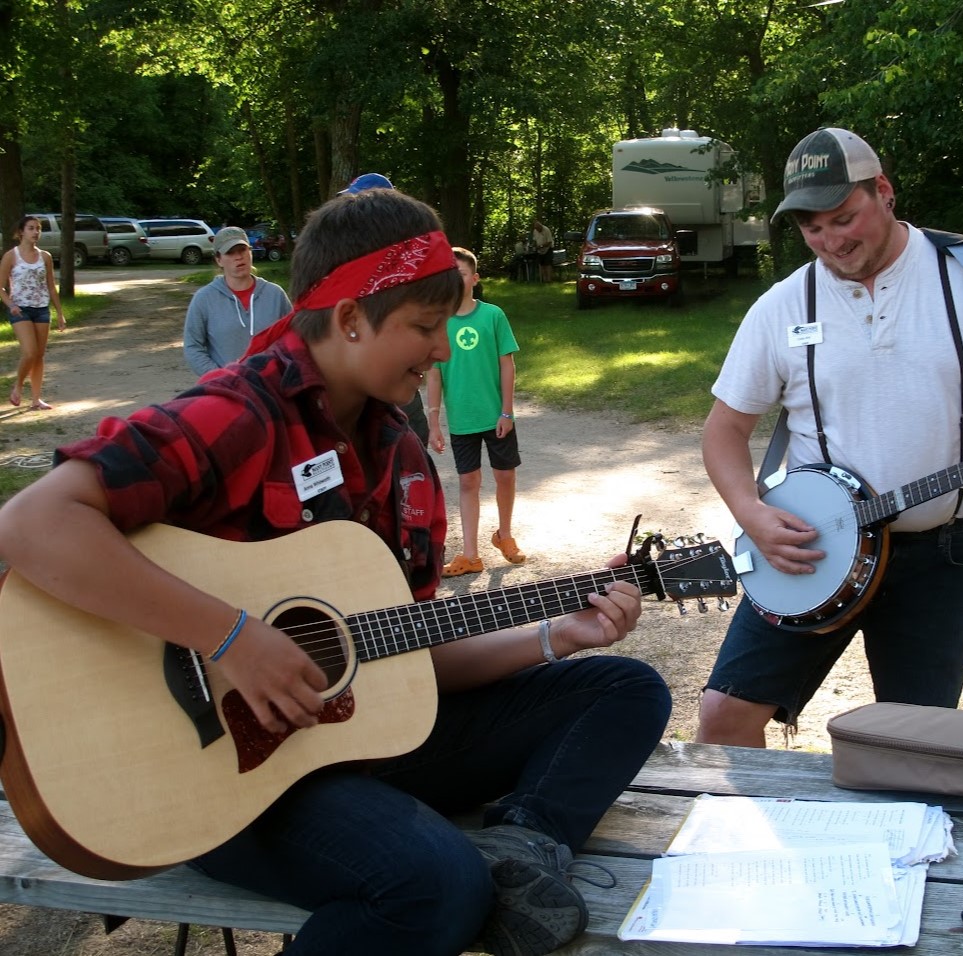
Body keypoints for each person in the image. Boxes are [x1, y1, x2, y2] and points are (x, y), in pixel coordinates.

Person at [0, 188, 672, 956]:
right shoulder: (235, 414)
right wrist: (233, 640)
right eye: (424, 327)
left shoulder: (406, 460)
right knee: (433, 884)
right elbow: (31, 524)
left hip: (341, 747)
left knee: (623, 688)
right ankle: (467, 872)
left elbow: (408, 652)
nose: (444, 350)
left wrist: (555, 636)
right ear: (350, 317)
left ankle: (521, 848)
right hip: (215, 773)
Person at [696, 127, 963, 748]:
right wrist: (752, 513)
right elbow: (723, 432)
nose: (833, 241)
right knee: (724, 718)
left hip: (940, 556)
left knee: (913, 748)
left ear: (884, 193)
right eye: (813, 228)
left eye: (845, 218)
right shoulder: (783, 306)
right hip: (814, 550)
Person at [427, 247, 526, 577]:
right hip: (462, 420)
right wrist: (433, 421)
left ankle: (505, 535)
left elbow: (506, 364)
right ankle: (470, 554)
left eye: (462, 273)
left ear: (475, 279)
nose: (456, 279)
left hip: (495, 415)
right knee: (468, 482)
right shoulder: (438, 321)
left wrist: (507, 412)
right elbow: (434, 373)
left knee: (505, 475)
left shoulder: (493, 315)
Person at [340, 171, 429, 444]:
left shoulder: (409, 260)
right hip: (362, 387)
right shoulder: (353, 258)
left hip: (395, 388)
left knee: (407, 456)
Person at [182, 226, 291, 376]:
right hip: (227, 389)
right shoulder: (204, 299)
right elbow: (193, 347)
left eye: (242, 250)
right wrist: (219, 377)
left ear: (250, 252)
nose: (238, 257)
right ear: (218, 260)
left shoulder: (275, 294)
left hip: (272, 387)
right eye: (230, 253)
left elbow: (293, 339)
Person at [1, 215, 66, 409]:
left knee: (38, 355)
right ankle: (18, 386)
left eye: (38, 228)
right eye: (31, 228)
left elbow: (51, 287)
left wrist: (60, 313)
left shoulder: (45, 256)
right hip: (20, 310)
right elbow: (1, 287)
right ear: (21, 231)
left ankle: (36, 399)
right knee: (29, 352)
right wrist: (10, 304)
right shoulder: (11, 256)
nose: (36, 232)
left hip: (41, 310)